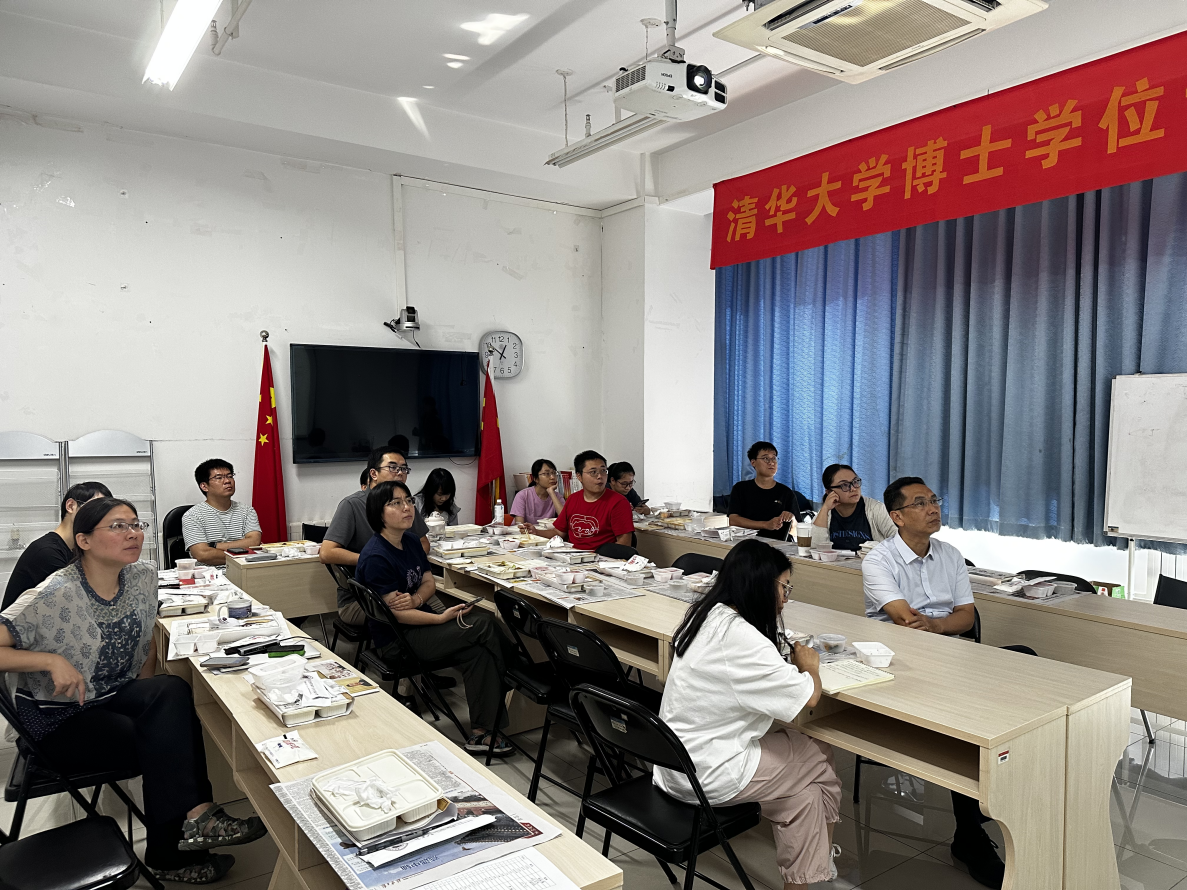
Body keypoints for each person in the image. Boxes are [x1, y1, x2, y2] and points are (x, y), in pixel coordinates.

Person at [0, 497, 267, 884]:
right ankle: (175, 848)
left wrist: (150, 698)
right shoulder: (55, 592)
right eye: (118, 526)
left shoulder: (142, 577)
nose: (133, 534)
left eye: (136, 524)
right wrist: (50, 660)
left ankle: (195, 822)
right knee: (161, 735)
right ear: (84, 541)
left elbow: (147, 637)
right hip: (59, 717)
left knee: (170, 692)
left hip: (111, 694)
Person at [862, 476, 1034, 889]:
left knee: (1025, 658)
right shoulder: (878, 560)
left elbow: (966, 617)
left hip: (953, 653)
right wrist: (941, 625)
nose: (933, 508)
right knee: (970, 714)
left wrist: (938, 625)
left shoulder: (951, 555)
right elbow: (906, 622)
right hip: (904, 662)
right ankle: (969, 836)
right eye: (920, 503)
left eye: (934, 500)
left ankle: (1005, 791)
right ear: (897, 516)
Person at [656, 539, 841, 888]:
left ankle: (806, 879)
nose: (786, 598)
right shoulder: (741, 637)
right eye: (784, 587)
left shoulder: (706, 614)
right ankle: (825, 863)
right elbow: (809, 698)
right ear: (761, 585)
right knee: (820, 754)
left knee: (803, 797)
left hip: (673, 763)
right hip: (708, 773)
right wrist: (809, 666)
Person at [356, 481, 522, 756]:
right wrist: (439, 619)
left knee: (479, 651)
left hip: (420, 625)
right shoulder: (376, 556)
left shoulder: (410, 540)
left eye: (408, 500)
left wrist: (417, 600)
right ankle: (520, 672)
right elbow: (397, 614)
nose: (407, 507)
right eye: (396, 503)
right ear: (378, 513)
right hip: (397, 642)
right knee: (483, 624)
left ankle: (481, 733)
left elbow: (429, 582)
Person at [321, 447, 431, 627]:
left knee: (453, 614)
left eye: (404, 469)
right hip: (363, 598)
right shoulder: (352, 505)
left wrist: (407, 567)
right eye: (393, 467)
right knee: (432, 622)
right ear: (373, 474)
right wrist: (379, 562)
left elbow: (423, 543)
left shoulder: (406, 504)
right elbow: (327, 553)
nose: (400, 473)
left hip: (406, 588)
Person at [3, 481, 111, 610]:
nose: (100, 519)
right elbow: (81, 603)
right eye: (95, 510)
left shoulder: (77, 550)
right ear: (71, 506)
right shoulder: (46, 552)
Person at [527, 450, 634, 551]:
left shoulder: (618, 502)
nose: (600, 476)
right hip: (572, 556)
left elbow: (624, 545)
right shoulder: (573, 499)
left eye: (603, 471)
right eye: (593, 472)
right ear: (579, 476)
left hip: (601, 559)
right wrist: (535, 531)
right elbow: (559, 532)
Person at [182, 460, 262, 565]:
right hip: (209, 572)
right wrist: (244, 554)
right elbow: (202, 554)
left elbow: (254, 542)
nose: (227, 481)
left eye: (230, 476)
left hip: (244, 569)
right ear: (204, 486)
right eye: (219, 478)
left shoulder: (247, 511)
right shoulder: (192, 516)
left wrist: (215, 546)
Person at [728, 442, 813, 540]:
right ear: (753, 462)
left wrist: (792, 520)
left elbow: (797, 531)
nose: (771, 462)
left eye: (774, 458)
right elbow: (733, 520)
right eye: (765, 458)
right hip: (748, 543)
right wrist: (766, 525)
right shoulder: (740, 488)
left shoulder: (786, 492)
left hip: (779, 544)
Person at [810, 464, 896, 551]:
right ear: (829, 492)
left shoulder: (875, 509)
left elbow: (898, 540)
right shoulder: (826, 513)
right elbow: (815, 548)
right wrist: (825, 508)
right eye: (844, 485)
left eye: (855, 482)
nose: (853, 489)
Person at [511, 459, 565, 525]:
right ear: (536, 478)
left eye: (554, 473)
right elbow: (519, 525)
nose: (552, 477)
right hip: (525, 531)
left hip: (547, 531)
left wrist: (551, 493)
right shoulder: (523, 495)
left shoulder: (557, 497)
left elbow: (564, 519)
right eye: (547, 474)